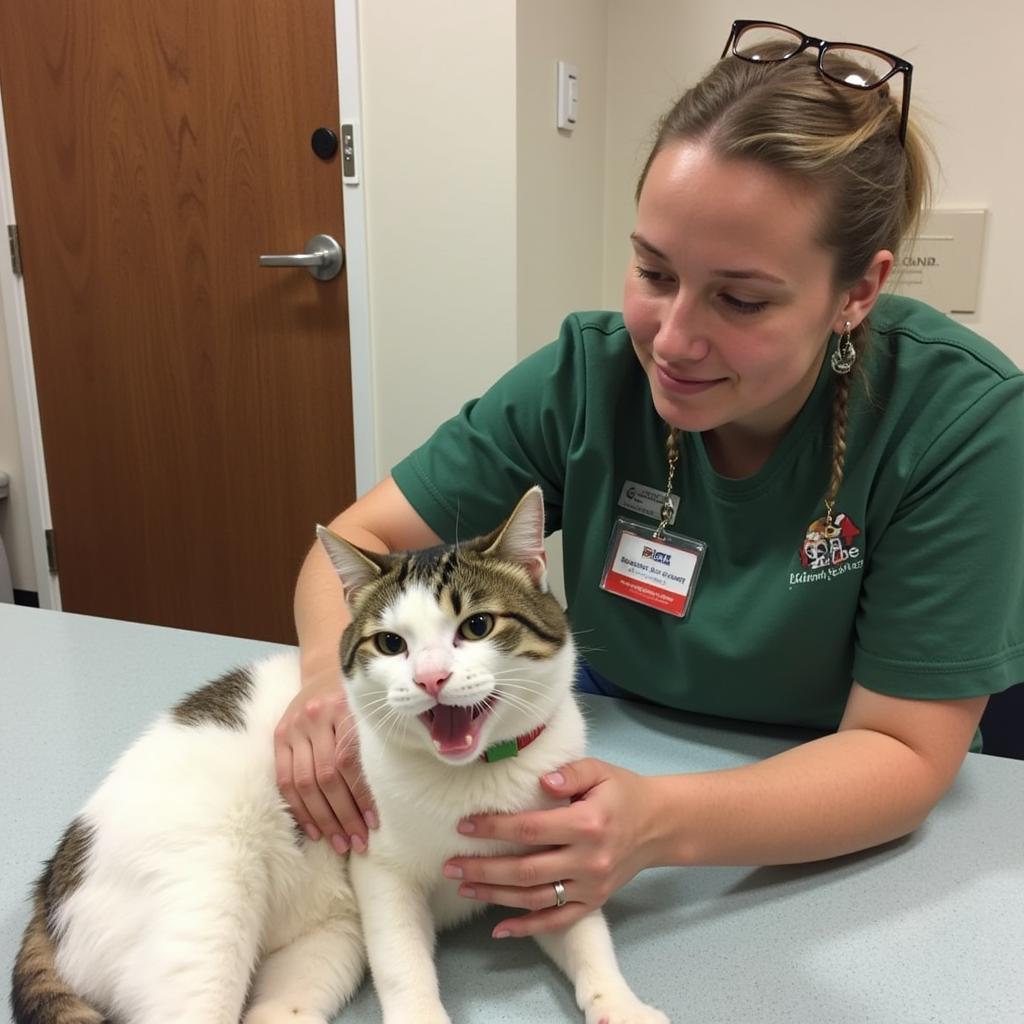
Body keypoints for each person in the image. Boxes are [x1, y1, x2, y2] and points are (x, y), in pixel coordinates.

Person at [274, 20, 1024, 941]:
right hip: (611, 746)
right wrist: (324, 684)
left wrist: (656, 823)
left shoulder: (960, 422)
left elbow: (904, 753)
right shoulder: (585, 377)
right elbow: (356, 548)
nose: (671, 341)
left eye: (741, 299)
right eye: (652, 271)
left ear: (858, 292)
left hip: (824, 822)